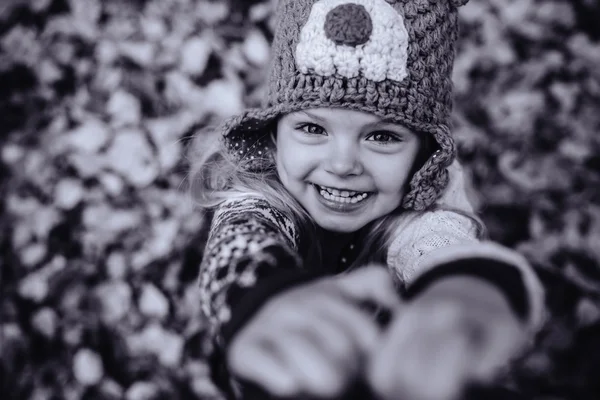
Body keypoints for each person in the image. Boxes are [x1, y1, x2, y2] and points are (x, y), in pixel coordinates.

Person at [192, 0, 546, 399]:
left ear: (422, 154)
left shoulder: (419, 214)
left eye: (381, 137)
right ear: (274, 136)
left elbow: (443, 244)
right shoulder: (258, 197)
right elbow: (239, 243)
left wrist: (467, 288)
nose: (342, 164)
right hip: (276, 372)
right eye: (312, 128)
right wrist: (259, 298)